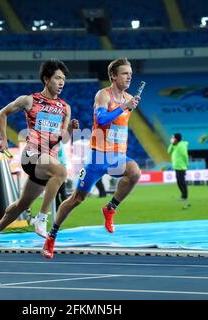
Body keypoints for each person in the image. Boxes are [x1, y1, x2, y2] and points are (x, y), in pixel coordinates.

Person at [42, 58, 141, 259]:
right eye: (124, 73)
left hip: (117, 156)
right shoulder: (103, 95)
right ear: (113, 75)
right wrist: (124, 107)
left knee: (135, 173)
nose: (129, 76)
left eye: (130, 73)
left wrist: (128, 106)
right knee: (77, 199)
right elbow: (102, 120)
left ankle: (110, 208)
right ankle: (51, 236)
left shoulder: (130, 98)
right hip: (97, 157)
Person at [0, 59, 79, 253]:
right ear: (46, 79)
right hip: (31, 156)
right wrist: (3, 139)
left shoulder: (65, 108)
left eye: (64, 79)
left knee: (22, 204)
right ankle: (41, 218)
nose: (62, 82)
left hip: (46, 161)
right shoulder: (30, 100)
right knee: (61, 172)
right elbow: (3, 113)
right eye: (57, 78)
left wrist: (69, 129)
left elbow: (64, 139)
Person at [168, 133, 190, 209]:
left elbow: (185, 155)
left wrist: (186, 164)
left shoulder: (182, 145)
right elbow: (169, 152)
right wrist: (171, 144)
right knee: (179, 181)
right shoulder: (175, 145)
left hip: (181, 167)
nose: (172, 139)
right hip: (176, 166)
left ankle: (184, 196)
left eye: (173, 138)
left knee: (182, 182)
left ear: (176, 139)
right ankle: (183, 195)